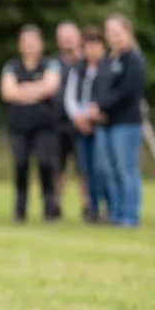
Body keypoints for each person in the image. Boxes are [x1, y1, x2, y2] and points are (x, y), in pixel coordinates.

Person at [0, 24, 63, 222]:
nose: (30, 46)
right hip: (19, 126)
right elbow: (7, 92)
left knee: (46, 164)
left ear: (41, 44)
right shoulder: (12, 66)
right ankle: (20, 210)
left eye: (34, 42)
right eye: (26, 42)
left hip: (45, 125)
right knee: (21, 164)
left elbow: (50, 87)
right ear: (20, 45)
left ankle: (49, 208)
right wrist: (36, 91)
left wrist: (22, 90)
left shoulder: (50, 64)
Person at [89, 13, 146, 228]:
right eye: (110, 33)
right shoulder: (106, 60)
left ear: (127, 33)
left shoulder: (134, 60)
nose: (114, 37)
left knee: (126, 169)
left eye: (117, 32)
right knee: (108, 170)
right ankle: (115, 213)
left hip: (126, 123)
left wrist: (103, 108)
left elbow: (128, 92)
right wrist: (94, 106)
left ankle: (129, 216)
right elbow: (98, 87)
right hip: (105, 124)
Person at [63, 26, 107, 222]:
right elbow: (70, 96)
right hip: (81, 124)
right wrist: (78, 117)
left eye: (95, 45)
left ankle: (109, 206)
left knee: (101, 168)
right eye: (87, 46)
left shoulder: (107, 68)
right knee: (86, 169)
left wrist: (95, 115)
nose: (91, 50)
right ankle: (92, 208)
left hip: (102, 124)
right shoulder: (78, 69)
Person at [53, 21, 84, 219]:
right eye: (62, 37)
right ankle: (56, 206)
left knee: (84, 168)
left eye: (70, 36)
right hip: (58, 122)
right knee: (58, 167)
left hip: (82, 122)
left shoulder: (87, 61)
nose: (66, 41)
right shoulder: (54, 63)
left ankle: (89, 205)